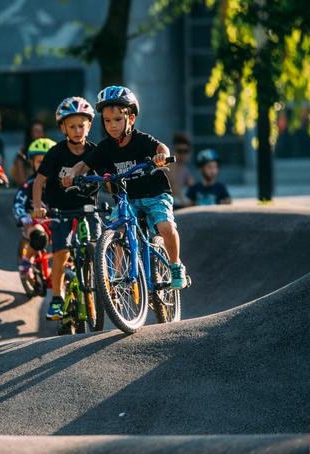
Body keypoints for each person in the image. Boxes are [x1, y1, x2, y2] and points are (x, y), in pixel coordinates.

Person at [64, 85, 188, 289]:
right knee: (114, 230)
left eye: (117, 120)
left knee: (165, 227)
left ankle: (176, 265)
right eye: (107, 121)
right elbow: (84, 163)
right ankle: (119, 278)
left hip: (154, 194)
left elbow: (161, 147)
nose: (112, 126)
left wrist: (161, 157)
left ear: (130, 119)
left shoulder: (141, 140)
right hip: (126, 199)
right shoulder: (105, 147)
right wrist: (72, 173)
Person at [33, 97, 99, 320]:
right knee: (61, 252)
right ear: (63, 128)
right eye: (72, 126)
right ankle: (57, 298)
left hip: (88, 206)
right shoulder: (56, 152)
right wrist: (37, 207)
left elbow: (109, 178)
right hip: (60, 208)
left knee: (98, 246)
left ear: (89, 126)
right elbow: (39, 182)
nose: (78, 130)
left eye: (82, 125)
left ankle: (105, 287)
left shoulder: (95, 152)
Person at [12, 138, 56, 278]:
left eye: (47, 161)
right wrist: (22, 216)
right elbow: (18, 203)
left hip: (56, 221)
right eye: (39, 161)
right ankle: (26, 261)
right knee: (39, 237)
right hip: (33, 221)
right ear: (32, 163)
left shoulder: (59, 183)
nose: (44, 165)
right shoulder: (30, 184)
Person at [11, 120, 46, 186]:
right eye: (36, 131)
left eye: (41, 131)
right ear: (30, 134)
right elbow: (21, 181)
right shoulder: (21, 154)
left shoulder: (51, 152)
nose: (40, 134)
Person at [168, 132, 195, 210]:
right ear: (174, 151)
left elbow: (192, 186)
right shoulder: (171, 165)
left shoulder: (184, 168)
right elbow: (174, 186)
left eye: (186, 151)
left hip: (176, 202)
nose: (182, 154)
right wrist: (185, 202)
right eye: (180, 151)